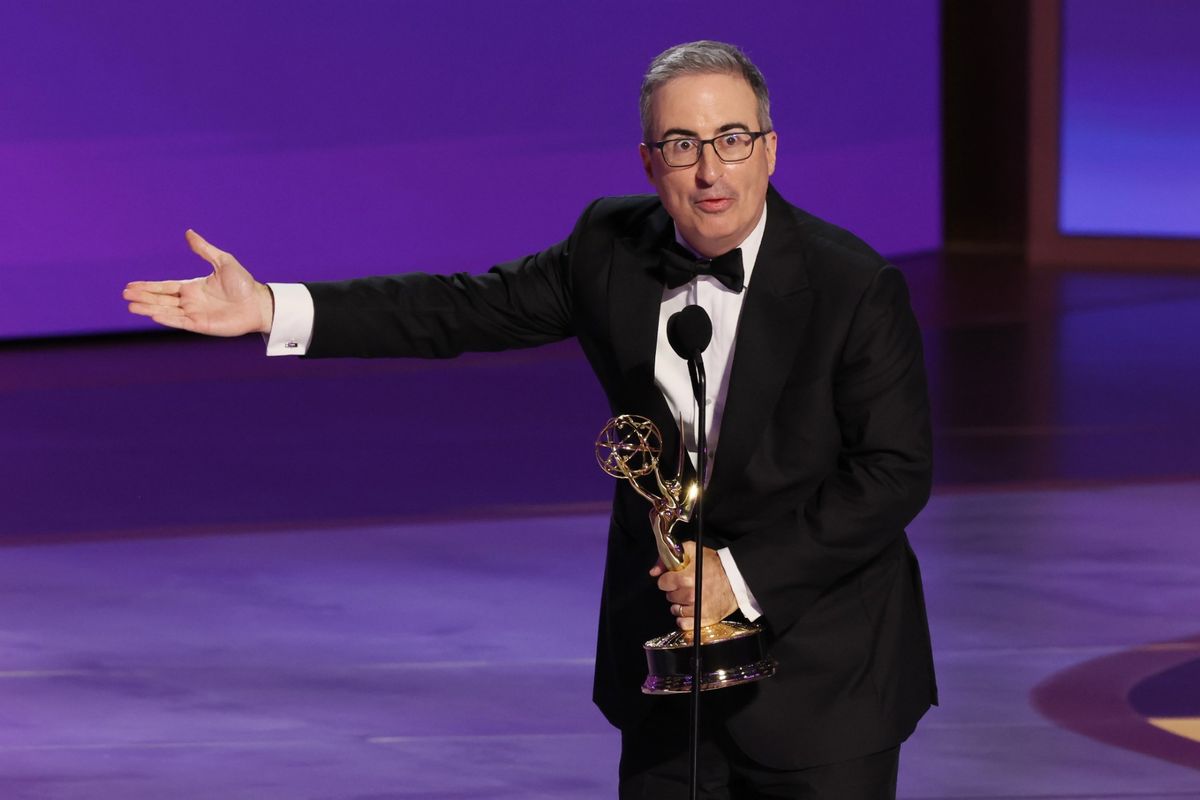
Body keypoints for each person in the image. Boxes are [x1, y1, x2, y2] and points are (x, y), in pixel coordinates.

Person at [125, 40, 935, 799]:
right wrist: (271, 307)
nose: (709, 168)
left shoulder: (851, 286)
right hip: (663, 672)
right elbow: (455, 309)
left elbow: (894, 473)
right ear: (650, 163)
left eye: (730, 138)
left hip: (824, 674)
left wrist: (739, 575)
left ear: (769, 149)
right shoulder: (607, 247)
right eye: (682, 144)